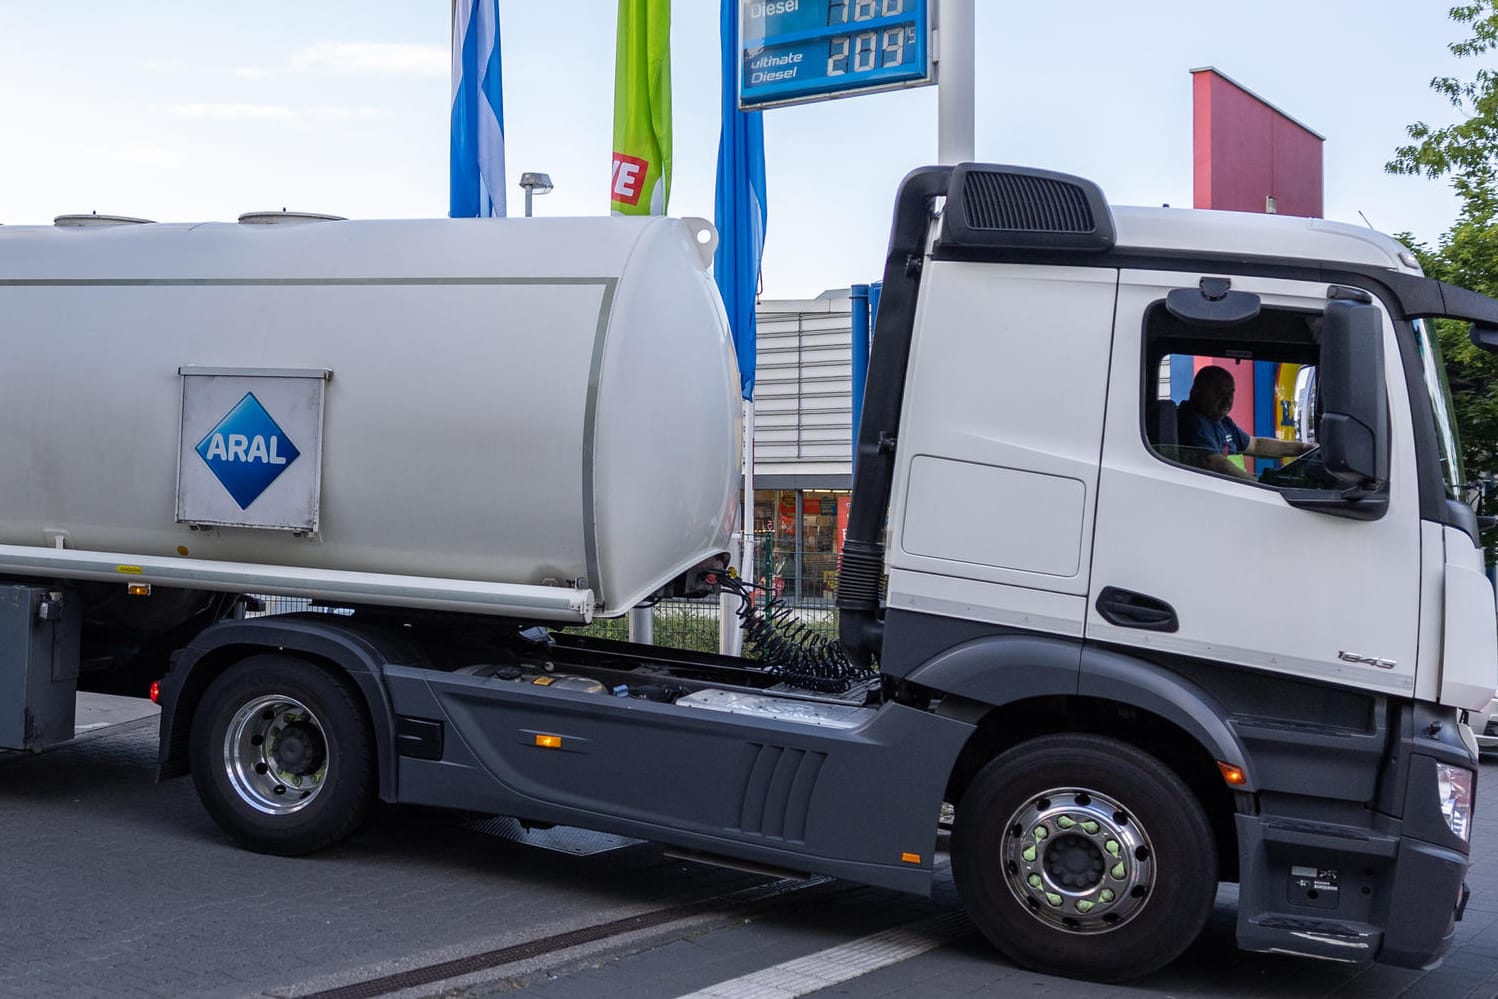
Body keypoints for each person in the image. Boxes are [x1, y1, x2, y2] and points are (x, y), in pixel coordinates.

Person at [1175, 365, 1312, 479]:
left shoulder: (1223, 422)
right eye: (1220, 393)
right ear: (1197, 391)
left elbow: (1255, 445)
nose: (1228, 399)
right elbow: (1215, 463)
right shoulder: (1192, 421)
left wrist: (1301, 448)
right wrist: (1258, 486)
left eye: (1231, 393)